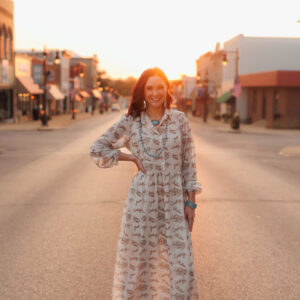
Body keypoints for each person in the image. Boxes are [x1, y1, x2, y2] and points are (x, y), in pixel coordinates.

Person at [89, 67, 202, 299]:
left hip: (174, 204)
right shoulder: (131, 120)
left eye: (159, 87)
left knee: (180, 264)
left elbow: (189, 163)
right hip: (142, 204)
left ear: (167, 89)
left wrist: (191, 205)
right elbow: (97, 148)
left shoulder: (179, 120)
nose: (154, 93)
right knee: (140, 263)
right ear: (142, 91)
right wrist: (128, 156)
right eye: (149, 88)